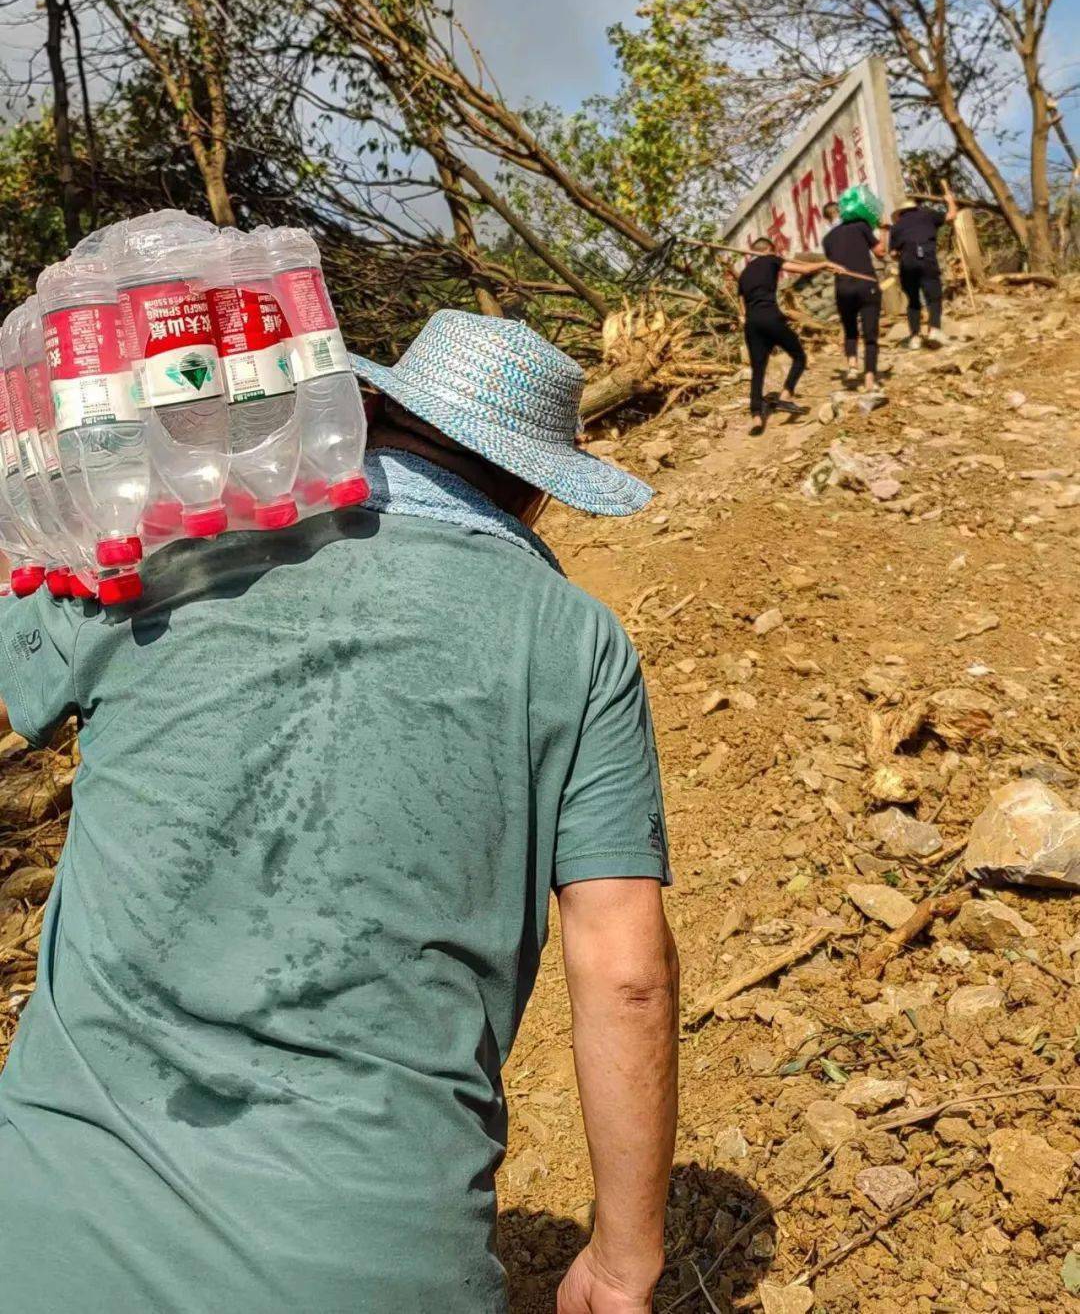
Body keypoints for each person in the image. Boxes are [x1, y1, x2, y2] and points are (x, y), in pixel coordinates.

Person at [0, 310, 679, 1314]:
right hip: (368, 1263)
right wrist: (624, 1259)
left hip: (50, 1226)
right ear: (539, 491)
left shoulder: (171, 542)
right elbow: (627, 970)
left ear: (372, 408)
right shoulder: (576, 643)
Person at [737, 234, 833, 436]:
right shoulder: (772, 259)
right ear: (768, 250)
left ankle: (756, 417)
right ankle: (785, 396)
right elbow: (804, 269)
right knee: (799, 356)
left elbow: (742, 310)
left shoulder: (744, 274)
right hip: (771, 317)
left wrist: (749, 319)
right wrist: (824, 263)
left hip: (752, 324)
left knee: (758, 370)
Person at [822, 208, 887, 397]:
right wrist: (883, 230)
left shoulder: (827, 240)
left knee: (850, 330)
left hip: (843, 289)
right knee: (870, 334)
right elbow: (881, 252)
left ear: (827, 219)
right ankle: (869, 379)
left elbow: (833, 265)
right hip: (867, 284)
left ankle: (851, 367)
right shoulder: (860, 225)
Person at [889, 182, 959, 348]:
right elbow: (951, 216)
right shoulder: (927, 214)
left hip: (907, 263)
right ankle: (934, 330)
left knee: (913, 301)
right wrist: (950, 200)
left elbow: (892, 254)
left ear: (900, 213)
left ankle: (914, 337)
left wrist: (901, 256)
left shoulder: (896, 226)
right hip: (926, 258)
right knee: (934, 296)